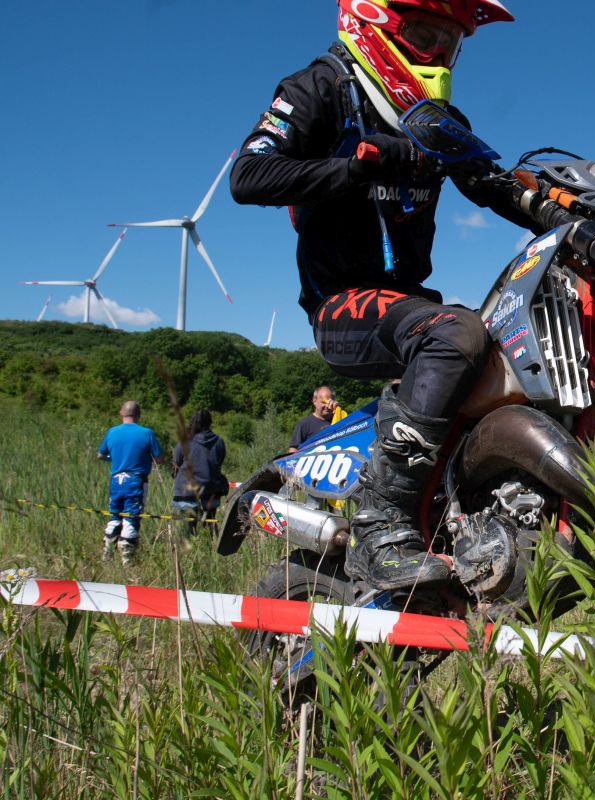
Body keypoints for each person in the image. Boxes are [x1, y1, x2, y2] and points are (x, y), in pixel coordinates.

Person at [231, 0, 533, 592]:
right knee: (455, 332)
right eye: (425, 35)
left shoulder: (435, 117)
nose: (438, 55)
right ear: (373, 24)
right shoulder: (321, 87)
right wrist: (354, 168)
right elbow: (248, 175)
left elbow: (490, 185)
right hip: (340, 302)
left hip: (409, 303)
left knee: (511, 337)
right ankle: (379, 527)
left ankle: (479, 515)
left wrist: (573, 207)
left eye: (450, 43)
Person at [97, 400, 164, 565]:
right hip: (135, 480)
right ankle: (128, 561)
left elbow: (101, 455)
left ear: (121, 412)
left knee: (114, 515)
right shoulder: (146, 433)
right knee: (131, 518)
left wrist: (114, 458)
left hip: (116, 480)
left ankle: (107, 553)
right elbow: (159, 458)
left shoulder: (112, 432)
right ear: (138, 414)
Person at [171, 409, 228, 537]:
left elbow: (176, 463)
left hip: (186, 489)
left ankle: (189, 546)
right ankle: (211, 545)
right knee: (210, 524)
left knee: (187, 529)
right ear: (210, 423)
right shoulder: (219, 442)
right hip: (211, 488)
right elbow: (218, 463)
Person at [289, 385, 340, 453]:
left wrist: (339, 410)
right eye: (324, 402)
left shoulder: (340, 420)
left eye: (330, 402)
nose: (327, 406)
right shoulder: (305, 423)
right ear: (314, 401)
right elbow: (293, 449)